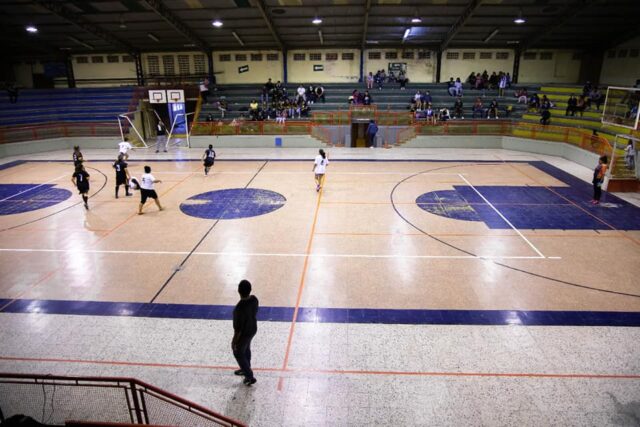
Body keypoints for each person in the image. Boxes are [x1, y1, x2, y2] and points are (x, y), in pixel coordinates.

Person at [232, 279, 259, 386]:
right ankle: (246, 367)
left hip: (244, 333)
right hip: (253, 328)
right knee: (246, 348)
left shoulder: (238, 309)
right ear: (250, 290)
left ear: (238, 291)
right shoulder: (254, 299)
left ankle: (249, 376)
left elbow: (238, 330)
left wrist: (234, 342)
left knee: (238, 352)